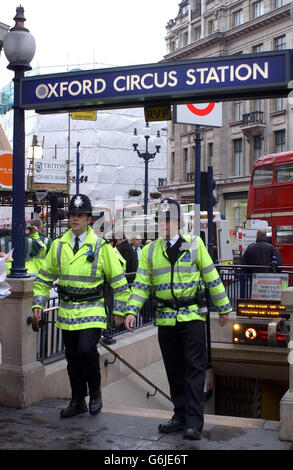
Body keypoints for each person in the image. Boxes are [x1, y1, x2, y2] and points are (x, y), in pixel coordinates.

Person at [124, 198, 232, 441]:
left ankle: (194, 423)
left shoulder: (193, 245)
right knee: (174, 370)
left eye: (168, 220)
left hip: (192, 317)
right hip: (165, 319)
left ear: (178, 222)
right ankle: (180, 415)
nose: (164, 224)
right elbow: (141, 284)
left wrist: (224, 308)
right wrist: (131, 311)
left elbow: (211, 276)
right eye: (160, 220)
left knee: (194, 371)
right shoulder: (151, 251)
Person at [32, 194, 130, 418]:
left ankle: (95, 393)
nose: (75, 219)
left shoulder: (101, 247)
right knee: (72, 356)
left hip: (92, 308)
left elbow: (119, 282)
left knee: (86, 350)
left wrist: (119, 311)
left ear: (89, 219)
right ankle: (78, 400)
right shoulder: (58, 246)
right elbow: (44, 278)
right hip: (67, 310)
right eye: (72, 215)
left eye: (80, 215)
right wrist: (38, 303)